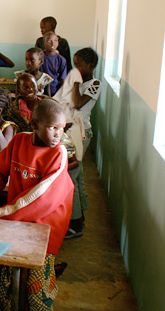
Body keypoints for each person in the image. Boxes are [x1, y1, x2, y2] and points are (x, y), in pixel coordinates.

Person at [0, 99, 74, 310]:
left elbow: (40, 198)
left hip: (43, 227)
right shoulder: (20, 141)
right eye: (53, 128)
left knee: (36, 287)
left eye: (62, 128)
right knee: (9, 279)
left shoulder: (58, 154)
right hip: (15, 222)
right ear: (34, 125)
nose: (59, 134)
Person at [55, 47, 100, 238]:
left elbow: (77, 103)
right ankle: (79, 217)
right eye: (75, 64)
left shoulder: (94, 84)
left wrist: (74, 83)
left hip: (80, 134)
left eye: (80, 65)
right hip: (69, 131)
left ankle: (74, 224)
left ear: (91, 65)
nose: (76, 68)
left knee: (70, 178)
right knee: (78, 175)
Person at [39, 31, 67, 96]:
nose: (52, 43)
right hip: (40, 91)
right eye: (49, 41)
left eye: (55, 41)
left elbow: (63, 80)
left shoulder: (61, 60)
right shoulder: (39, 57)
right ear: (43, 44)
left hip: (55, 92)